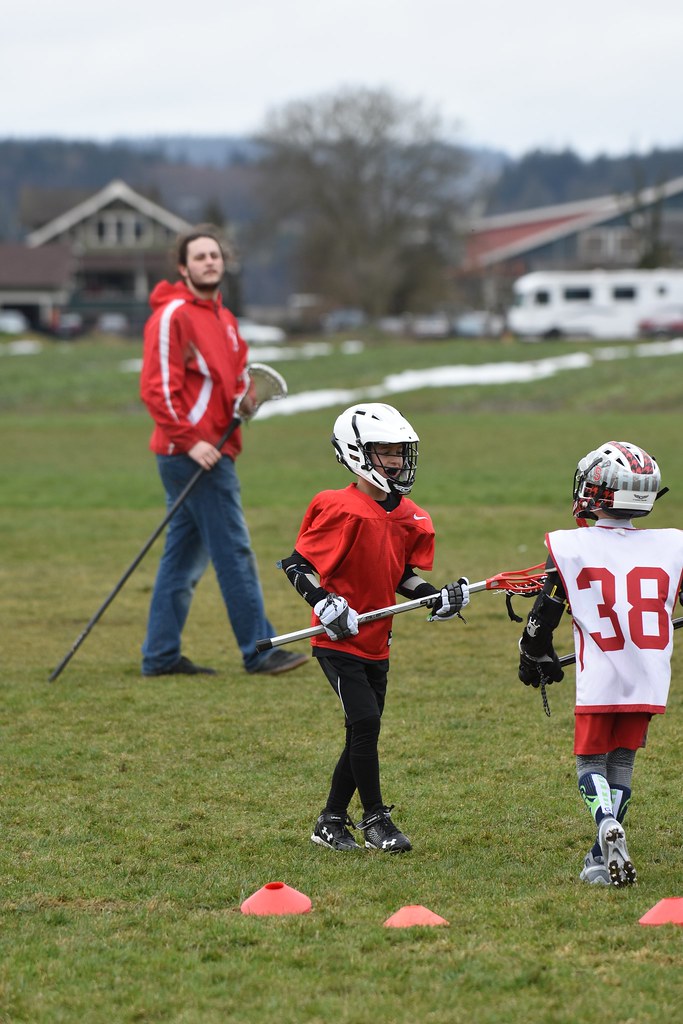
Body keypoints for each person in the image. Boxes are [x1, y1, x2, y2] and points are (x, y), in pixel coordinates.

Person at [279, 402, 470, 853]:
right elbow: (296, 565)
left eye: (401, 452)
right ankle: (376, 821)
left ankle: (329, 821)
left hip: (377, 639)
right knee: (364, 722)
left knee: (363, 730)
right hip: (337, 639)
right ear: (357, 452)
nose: (398, 461)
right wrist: (322, 602)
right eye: (386, 452)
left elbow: (402, 575)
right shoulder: (339, 507)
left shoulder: (409, 515)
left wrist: (437, 597)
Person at [139, 226, 307, 678]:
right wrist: (190, 440)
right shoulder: (172, 316)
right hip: (192, 455)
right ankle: (260, 650)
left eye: (215, 255)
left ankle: (159, 655)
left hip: (216, 449)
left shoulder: (226, 321)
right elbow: (157, 390)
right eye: (199, 257)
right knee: (233, 550)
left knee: (182, 557)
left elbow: (234, 387)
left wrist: (246, 401)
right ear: (183, 266)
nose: (209, 262)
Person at [518, 440, 683, 887]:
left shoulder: (572, 546)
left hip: (601, 675)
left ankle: (605, 820)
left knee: (590, 764)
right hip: (648, 673)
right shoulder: (672, 544)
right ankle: (598, 855)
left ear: (597, 492)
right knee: (623, 762)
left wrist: (532, 652)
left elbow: (544, 614)